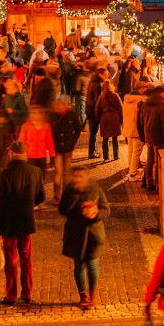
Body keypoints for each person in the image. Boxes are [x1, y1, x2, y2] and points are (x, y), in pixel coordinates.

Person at [0, 143, 42, 308]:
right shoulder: (35, 171)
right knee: (26, 259)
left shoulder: (5, 174)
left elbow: (0, 203)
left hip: (8, 223)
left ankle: (11, 295)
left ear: (11, 153)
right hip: (26, 221)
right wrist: (28, 205)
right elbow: (41, 197)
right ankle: (27, 293)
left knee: (11, 260)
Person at [57, 165, 108, 309]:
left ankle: (93, 293)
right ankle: (83, 295)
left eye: (81, 176)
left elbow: (106, 209)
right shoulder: (69, 190)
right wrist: (75, 201)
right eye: (76, 176)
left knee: (92, 265)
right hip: (75, 234)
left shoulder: (95, 189)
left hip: (93, 234)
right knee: (79, 266)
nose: (78, 179)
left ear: (86, 177)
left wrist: (95, 214)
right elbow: (62, 210)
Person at [18, 107, 57, 204]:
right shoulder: (26, 126)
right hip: (29, 157)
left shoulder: (46, 126)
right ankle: (30, 200)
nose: (35, 114)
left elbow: (50, 142)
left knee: (41, 179)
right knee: (30, 180)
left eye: (38, 112)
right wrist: (21, 155)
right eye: (33, 113)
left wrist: (52, 155)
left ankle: (39, 200)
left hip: (41, 157)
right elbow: (21, 141)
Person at [49, 94, 83, 185]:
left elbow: (78, 129)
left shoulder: (72, 115)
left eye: (63, 104)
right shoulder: (53, 115)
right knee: (58, 172)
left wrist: (73, 141)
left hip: (68, 148)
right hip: (57, 148)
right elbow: (49, 131)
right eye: (59, 103)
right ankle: (57, 192)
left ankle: (66, 191)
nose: (60, 106)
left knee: (67, 172)